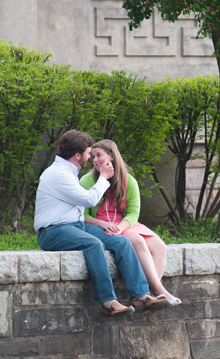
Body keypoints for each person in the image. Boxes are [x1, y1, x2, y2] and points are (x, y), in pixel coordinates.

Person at [34, 130, 171, 317]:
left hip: (76, 226)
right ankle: (108, 302)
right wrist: (104, 177)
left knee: (122, 241)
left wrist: (103, 224)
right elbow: (89, 200)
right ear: (77, 155)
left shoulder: (69, 172)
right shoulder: (59, 174)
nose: (90, 158)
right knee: (94, 243)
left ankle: (141, 296)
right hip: (53, 231)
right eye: (89, 153)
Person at [80, 139, 181, 306]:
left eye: (99, 155)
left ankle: (149, 294)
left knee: (160, 247)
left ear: (111, 156)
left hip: (124, 224)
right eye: (93, 156)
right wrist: (102, 224)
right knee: (138, 241)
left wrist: (120, 227)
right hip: (100, 224)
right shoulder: (87, 180)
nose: (94, 159)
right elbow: (82, 215)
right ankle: (159, 291)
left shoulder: (129, 181)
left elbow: (133, 212)